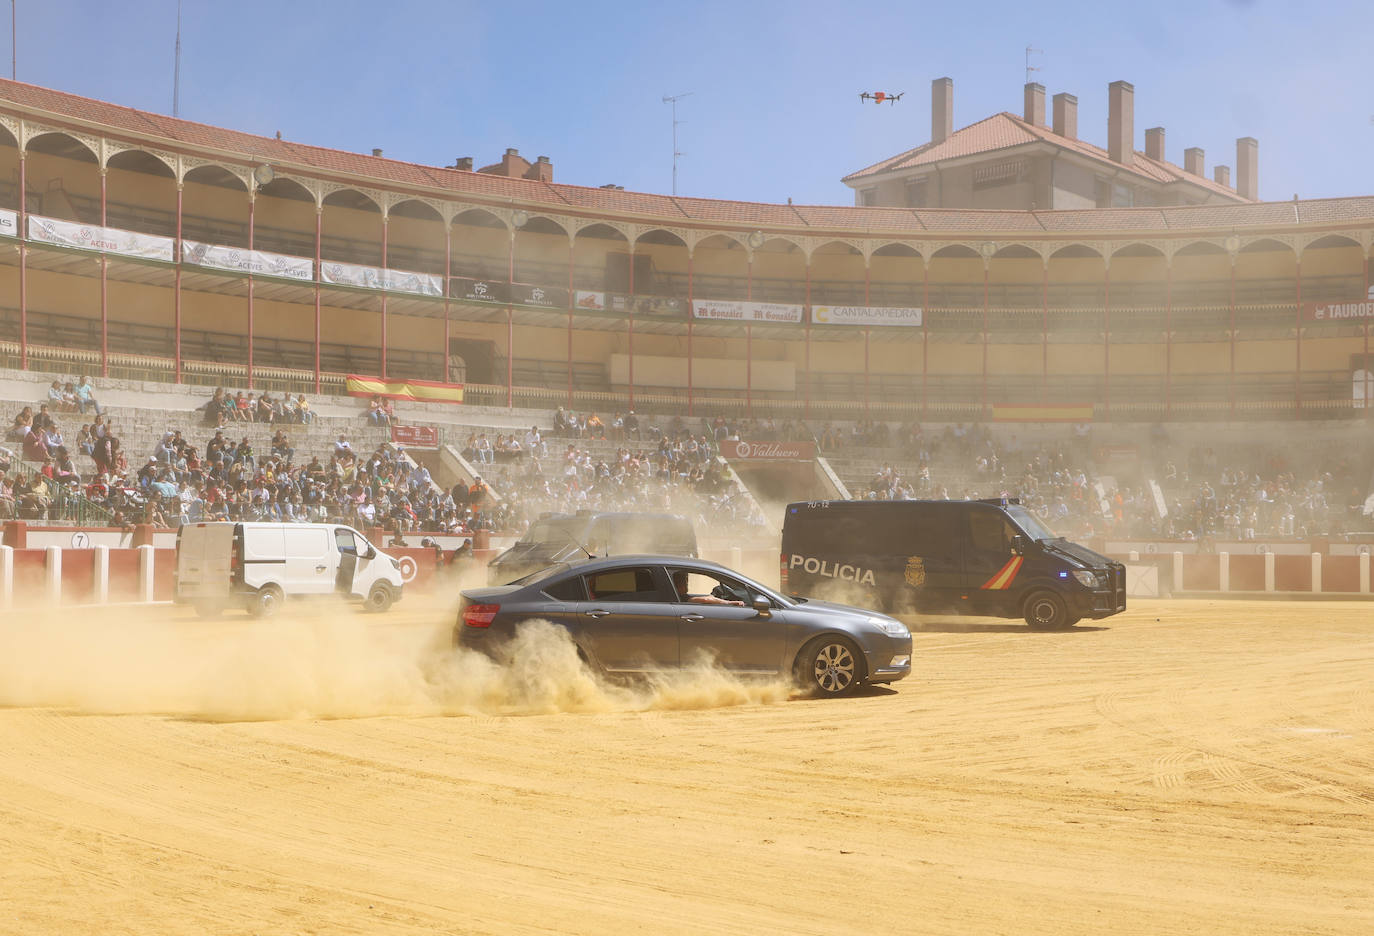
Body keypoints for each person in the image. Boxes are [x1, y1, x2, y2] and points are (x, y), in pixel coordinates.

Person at [671, 570, 745, 606]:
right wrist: (730, 603)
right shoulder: (681, 598)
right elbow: (705, 600)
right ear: (677, 583)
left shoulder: (675, 596)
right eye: (684, 580)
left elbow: (707, 598)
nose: (686, 582)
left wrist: (713, 596)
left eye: (686, 579)